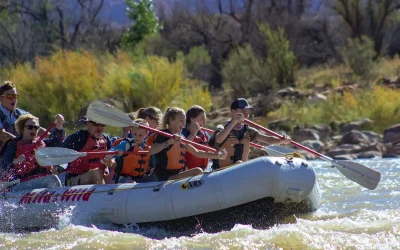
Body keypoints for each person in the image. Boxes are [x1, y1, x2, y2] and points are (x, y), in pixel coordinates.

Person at [209, 98, 291, 169]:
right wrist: (233, 123)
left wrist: (281, 140)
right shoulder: (222, 129)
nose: (246, 115)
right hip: (221, 172)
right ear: (233, 112)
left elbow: (267, 139)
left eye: (247, 112)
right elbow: (219, 139)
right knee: (239, 164)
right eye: (244, 111)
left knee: (243, 164)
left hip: (240, 170)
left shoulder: (249, 131)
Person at [149, 107, 226, 181]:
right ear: (171, 120)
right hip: (165, 177)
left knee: (202, 173)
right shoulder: (163, 135)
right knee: (197, 171)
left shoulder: (181, 137)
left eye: (185, 121)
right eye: (181, 120)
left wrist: (217, 155)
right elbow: (151, 151)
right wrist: (168, 142)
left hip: (177, 175)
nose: (184, 124)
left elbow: (197, 152)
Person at [0, 114, 65, 191]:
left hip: (38, 181)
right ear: (22, 129)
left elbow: (57, 141)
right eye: (30, 127)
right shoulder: (13, 144)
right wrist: (15, 162)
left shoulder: (42, 144)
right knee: (52, 179)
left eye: (36, 128)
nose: (33, 130)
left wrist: (59, 125)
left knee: (54, 178)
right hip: (18, 185)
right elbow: (4, 167)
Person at [62, 116, 113, 186]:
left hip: (100, 177)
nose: (99, 127)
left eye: (102, 124)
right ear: (88, 124)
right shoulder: (78, 137)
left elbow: (112, 160)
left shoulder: (106, 140)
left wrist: (111, 162)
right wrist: (58, 167)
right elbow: (61, 152)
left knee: (112, 175)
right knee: (95, 173)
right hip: (75, 179)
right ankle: (105, 195)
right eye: (95, 124)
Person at [107, 119, 157, 183]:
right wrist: (116, 153)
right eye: (135, 134)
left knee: (154, 178)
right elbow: (107, 155)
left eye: (140, 135)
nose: (137, 138)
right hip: (124, 178)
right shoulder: (126, 144)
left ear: (146, 133)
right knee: (130, 182)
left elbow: (154, 164)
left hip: (141, 178)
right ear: (131, 131)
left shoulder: (148, 148)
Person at [0, 81, 29, 148]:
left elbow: (35, 128)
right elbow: (2, 135)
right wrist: (20, 145)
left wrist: (51, 136)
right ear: (1, 99)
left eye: (15, 96)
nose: (14, 99)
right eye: (10, 96)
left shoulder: (21, 114)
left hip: (16, 156)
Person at [182, 105, 210, 170]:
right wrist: (193, 134)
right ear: (192, 119)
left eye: (205, 119)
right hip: (186, 171)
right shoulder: (182, 132)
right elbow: (183, 146)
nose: (204, 122)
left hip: (202, 170)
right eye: (202, 119)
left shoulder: (204, 133)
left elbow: (212, 147)